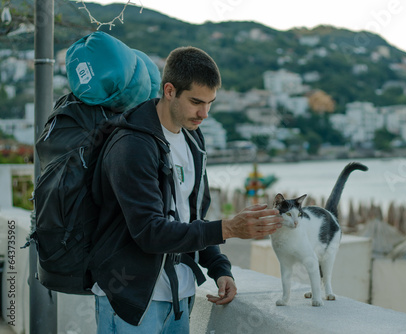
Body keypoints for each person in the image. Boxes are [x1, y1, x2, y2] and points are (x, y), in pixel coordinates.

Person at [89, 46, 283, 334]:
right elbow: (150, 233)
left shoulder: (193, 140)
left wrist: (219, 268)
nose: (204, 113)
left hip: (180, 296)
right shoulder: (132, 145)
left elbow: (193, 217)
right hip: (131, 301)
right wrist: (228, 229)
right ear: (169, 91)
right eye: (196, 102)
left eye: (210, 103)